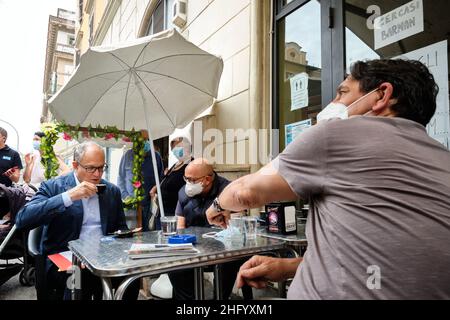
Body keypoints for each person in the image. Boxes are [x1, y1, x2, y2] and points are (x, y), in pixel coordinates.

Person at [206, 59, 450, 299]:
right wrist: (290, 267)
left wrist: (217, 206)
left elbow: (245, 193)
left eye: (341, 93)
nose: (332, 104)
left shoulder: (336, 135)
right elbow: (398, 262)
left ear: (382, 95)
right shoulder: (442, 159)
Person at [15, 141, 139, 300]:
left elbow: (120, 229)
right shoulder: (54, 187)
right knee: (77, 278)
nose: (97, 174)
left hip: (102, 257)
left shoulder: (111, 191)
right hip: (64, 257)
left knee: (133, 275)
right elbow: (23, 219)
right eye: (91, 168)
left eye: (101, 167)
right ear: (75, 165)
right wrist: (69, 196)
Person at [168, 158, 252, 300]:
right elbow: (180, 226)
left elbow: (238, 224)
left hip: (224, 246)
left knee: (228, 263)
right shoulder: (184, 192)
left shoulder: (228, 190)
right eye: (185, 178)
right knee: (175, 266)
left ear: (207, 180)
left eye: (191, 180)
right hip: (193, 246)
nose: (187, 183)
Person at [117, 136, 164, 230]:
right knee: (131, 233)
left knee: (150, 232)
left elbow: (161, 178)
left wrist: (155, 188)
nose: (144, 143)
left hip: (149, 204)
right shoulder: (127, 155)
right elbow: (120, 178)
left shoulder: (156, 157)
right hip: (131, 204)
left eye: (146, 140)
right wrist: (125, 196)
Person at [149, 135, 193, 227]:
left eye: (177, 147)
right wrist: (155, 188)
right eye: (173, 148)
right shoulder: (176, 164)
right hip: (162, 210)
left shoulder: (192, 164)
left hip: (174, 213)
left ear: (186, 146)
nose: (174, 151)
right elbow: (165, 179)